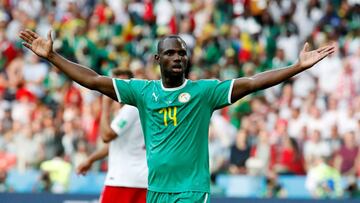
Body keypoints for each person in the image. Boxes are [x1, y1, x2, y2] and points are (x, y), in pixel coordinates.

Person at [19, 29, 335, 202]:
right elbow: (94, 81)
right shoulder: (143, 92)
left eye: (182, 53)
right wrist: (53, 57)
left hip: (192, 190)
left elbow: (252, 83)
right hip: (156, 191)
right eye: (170, 52)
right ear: (158, 58)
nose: (178, 57)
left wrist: (296, 67)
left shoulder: (204, 92)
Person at [76, 69, 147, 203]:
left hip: (123, 180)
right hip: (141, 180)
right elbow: (116, 144)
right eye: (116, 83)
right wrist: (90, 160)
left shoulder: (131, 108)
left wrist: (105, 106)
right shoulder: (135, 109)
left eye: (124, 83)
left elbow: (107, 136)